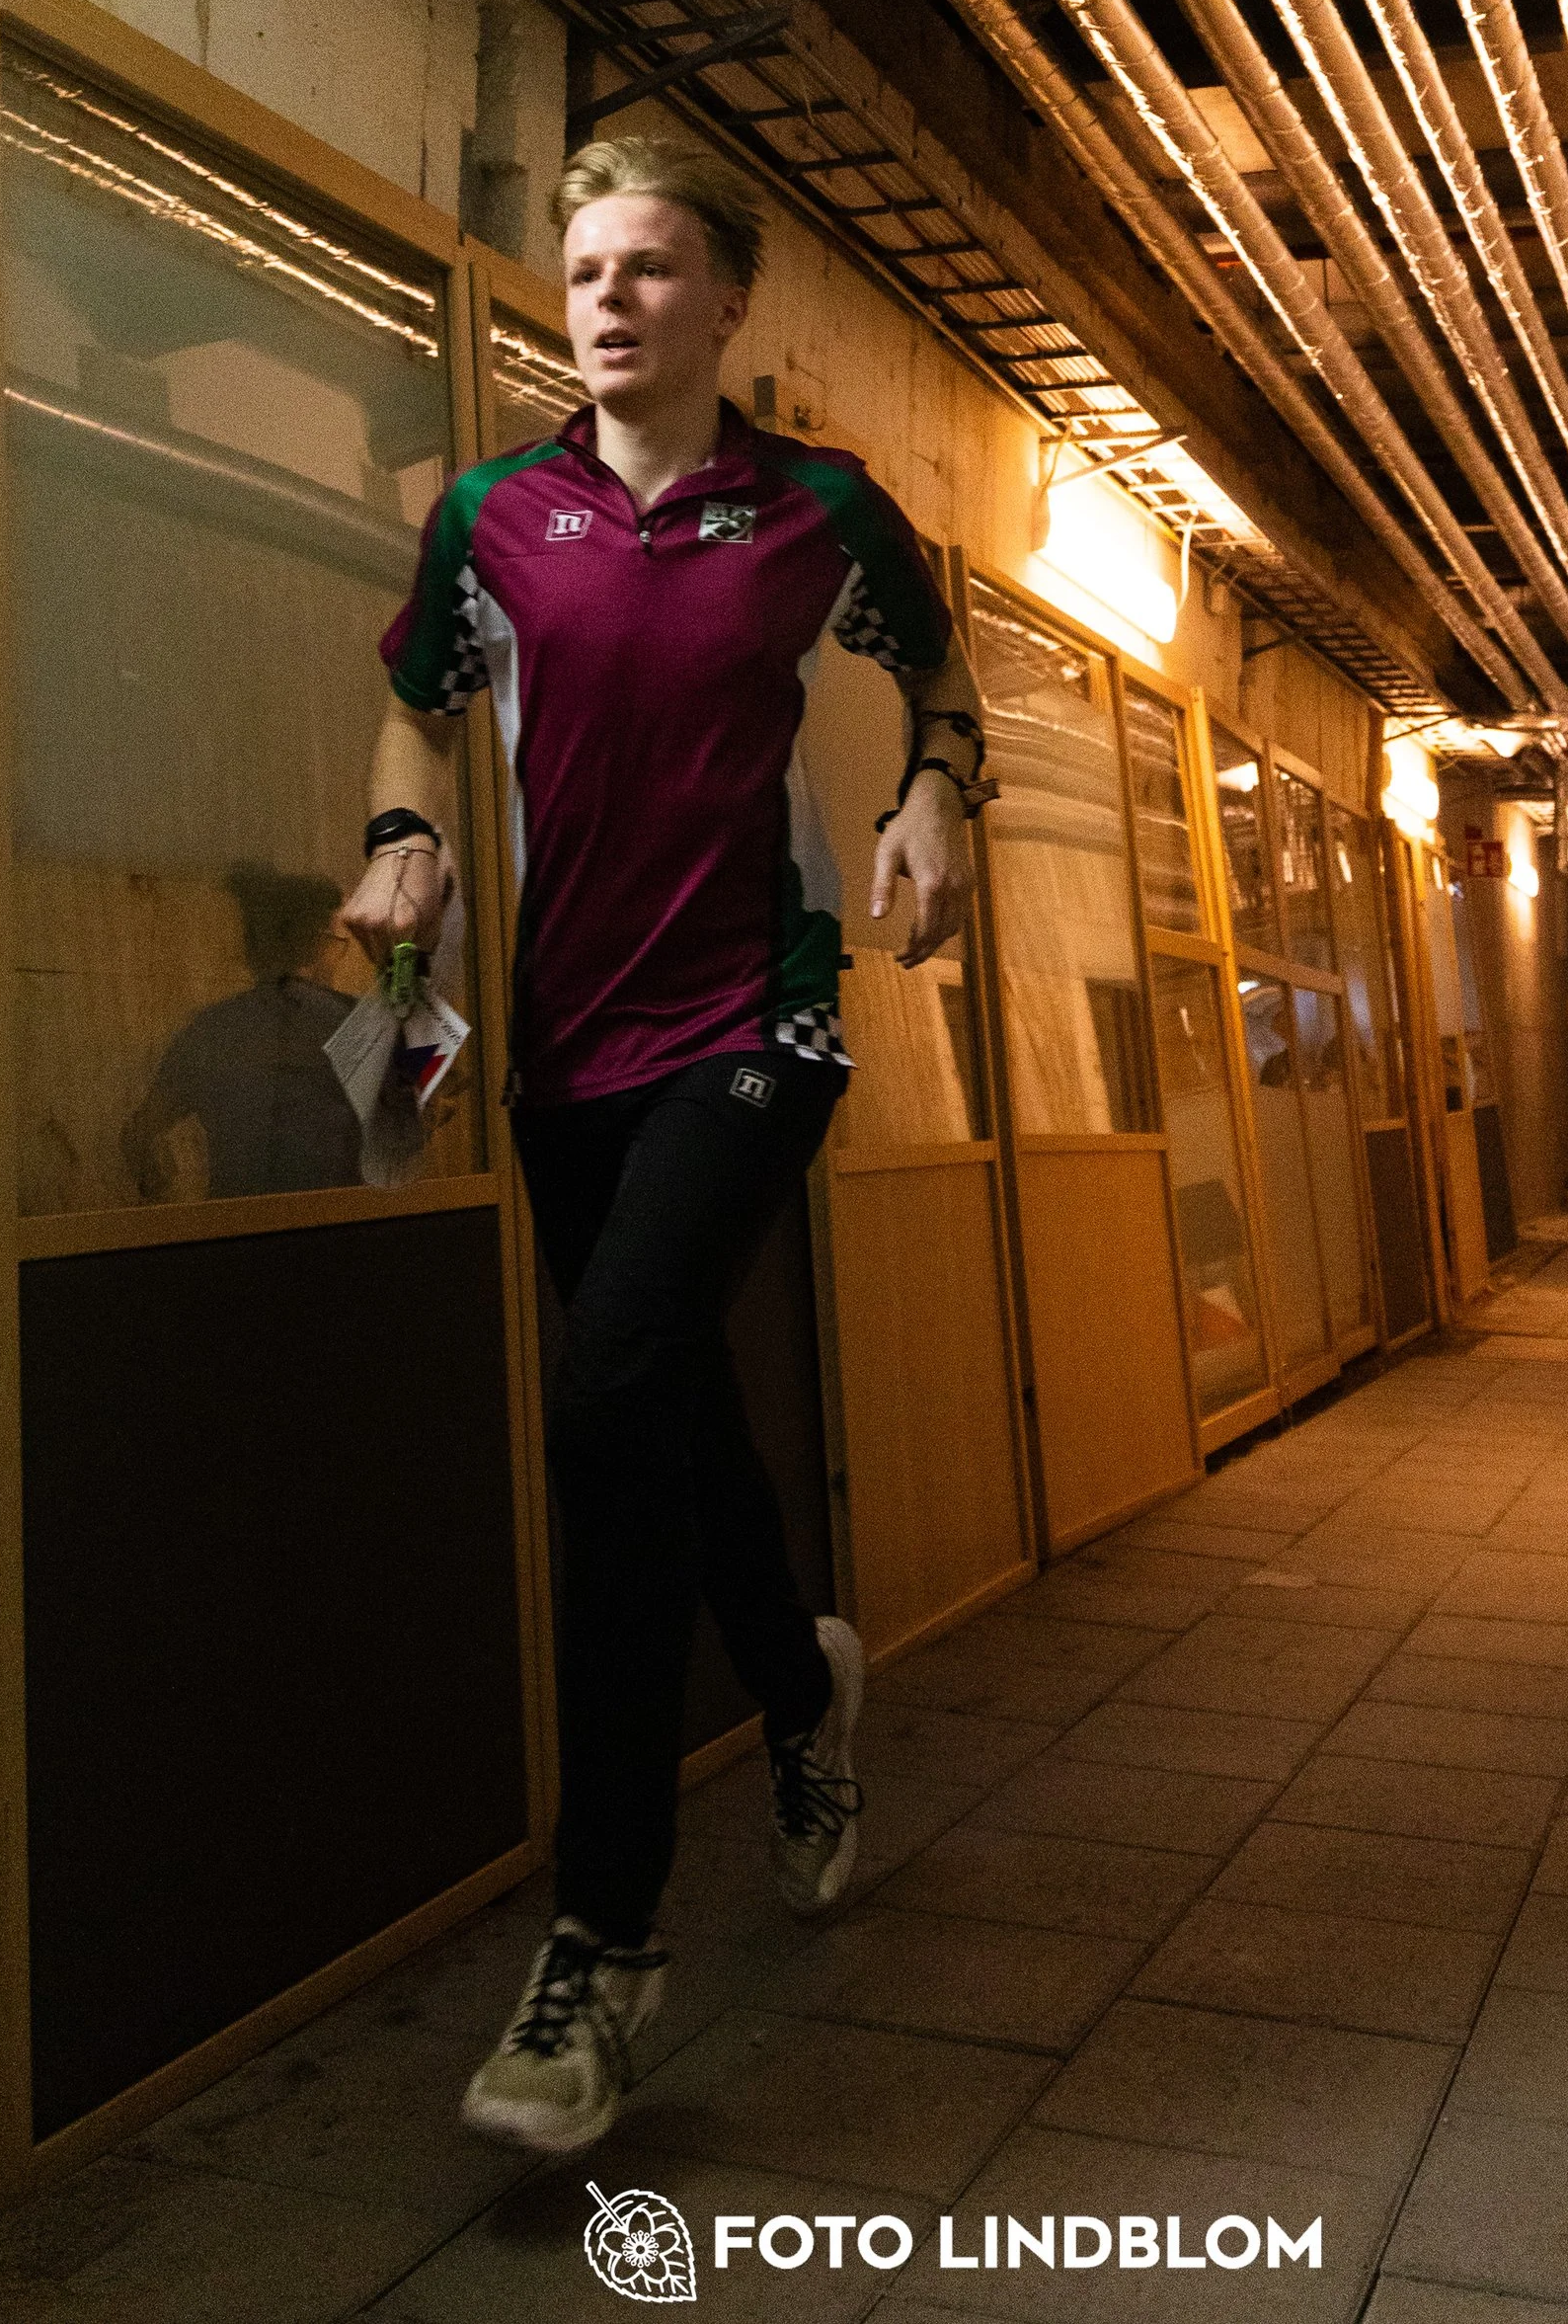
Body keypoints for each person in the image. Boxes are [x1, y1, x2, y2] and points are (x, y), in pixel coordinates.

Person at [340, 132, 989, 2155]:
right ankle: (802, 1696)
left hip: (757, 1013)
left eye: (650, 266)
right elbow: (414, 710)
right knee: (672, 1404)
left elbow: (934, 674)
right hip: (565, 1047)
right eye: (585, 264)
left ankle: (604, 1939)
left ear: (726, 303)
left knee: (607, 1391)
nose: (607, 295)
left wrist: (934, 794)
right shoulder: (488, 515)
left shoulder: (815, 507)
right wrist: (400, 831)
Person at [121, 862, 360, 1201]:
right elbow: (435, 1080)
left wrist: (160, 1194)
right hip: (338, 1230)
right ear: (318, 944)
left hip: (236, 1234)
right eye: (338, 943)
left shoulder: (210, 1030)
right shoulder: (351, 1021)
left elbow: (138, 1135)